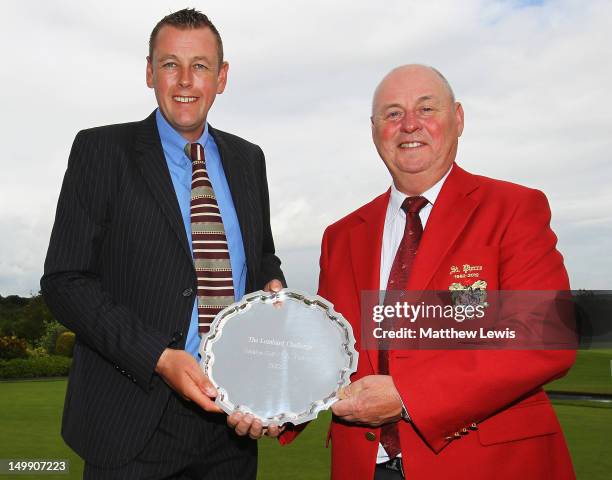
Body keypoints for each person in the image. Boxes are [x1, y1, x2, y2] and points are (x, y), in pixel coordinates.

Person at [279, 65, 576, 479]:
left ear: (459, 119)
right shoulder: (342, 236)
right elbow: (332, 357)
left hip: (486, 465)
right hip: (365, 466)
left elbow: (544, 338)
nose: (410, 124)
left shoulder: (512, 209)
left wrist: (408, 397)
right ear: (374, 130)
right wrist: (274, 404)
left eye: (426, 108)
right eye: (393, 113)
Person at [41, 8, 284, 479]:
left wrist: (273, 284)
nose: (185, 81)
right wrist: (157, 356)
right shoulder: (101, 151)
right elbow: (64, 280)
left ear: (223, 77)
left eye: (201, 66)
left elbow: (259, 258)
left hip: (230, 426)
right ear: (150, 72)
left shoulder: (248, 159)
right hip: (133, 420)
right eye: (171, 64)